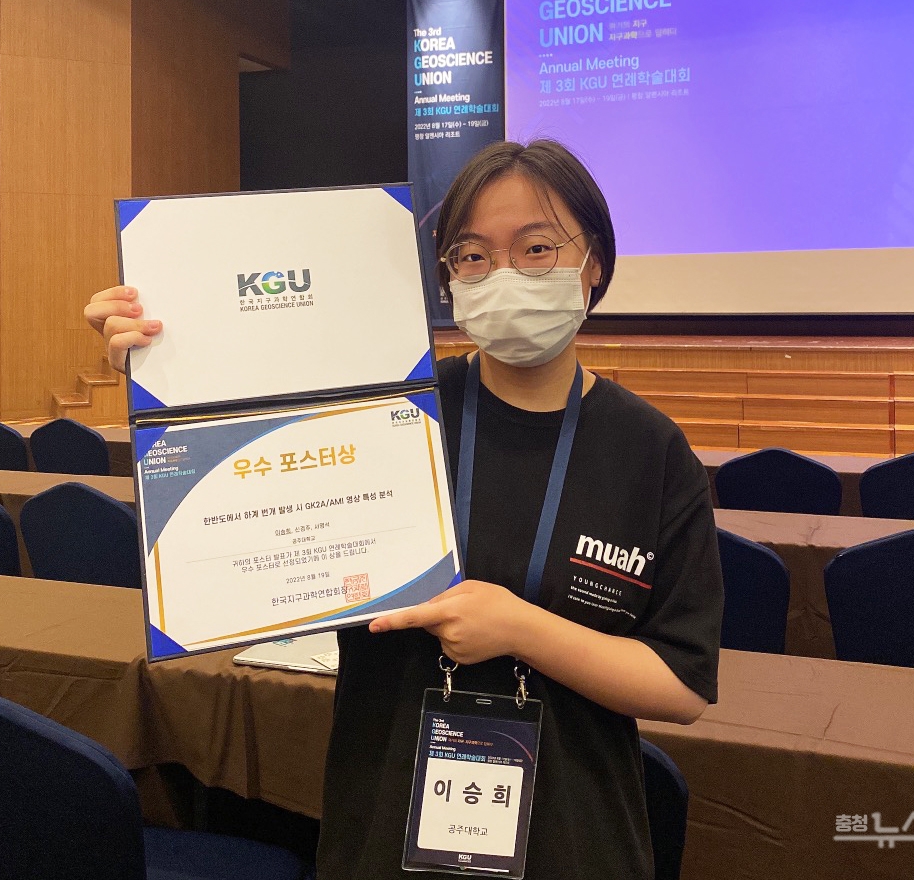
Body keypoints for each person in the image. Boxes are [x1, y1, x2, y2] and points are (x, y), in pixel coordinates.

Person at [86, 139, 723, 879]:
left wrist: (519, 627)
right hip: (385, 820)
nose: (503, 273)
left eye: (537, 247)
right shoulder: (382, 414)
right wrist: (170, 370)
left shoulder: (651, 452)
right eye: (473, 255)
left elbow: (680, 684)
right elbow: (243, 475)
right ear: (449, 277)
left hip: (575, 838)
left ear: (595, 264)